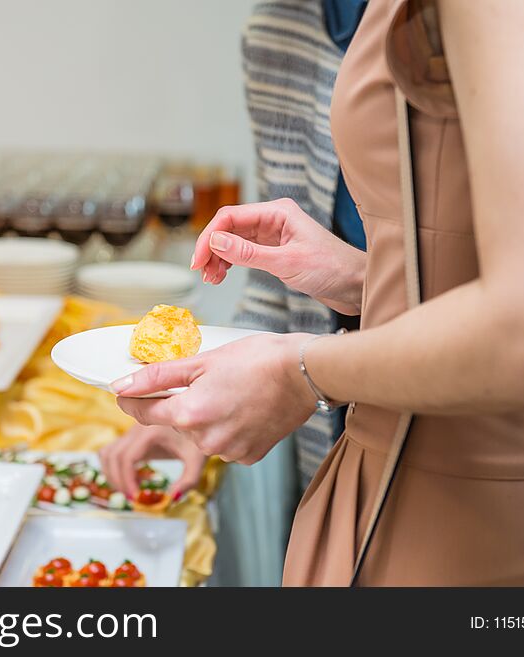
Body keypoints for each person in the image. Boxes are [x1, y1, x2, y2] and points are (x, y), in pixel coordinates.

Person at [111, 0, 524, 585]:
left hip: (492, 511)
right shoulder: (284, 25)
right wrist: (365, 280)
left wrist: (301, 373)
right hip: (388, 478)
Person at [100, 0, 365, 586]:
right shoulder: (279, 29)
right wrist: (192, 402)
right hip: (338, 467)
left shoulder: (460, 28)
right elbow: (283, 288)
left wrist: (307, 373)